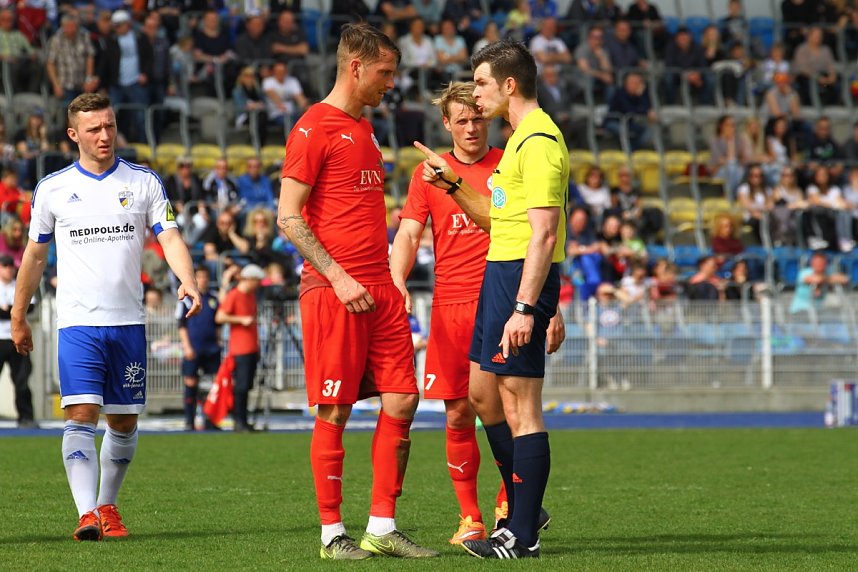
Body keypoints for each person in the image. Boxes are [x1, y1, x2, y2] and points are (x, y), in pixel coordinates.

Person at [277, 22, 438, 560]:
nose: (391, 83)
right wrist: (340, 277)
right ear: (355, 67)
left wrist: (390, 278)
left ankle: (382, 526)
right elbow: (288, 218)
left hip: (379, 288)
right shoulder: (312, 128)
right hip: (333, 288)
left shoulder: (365, 129)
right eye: (384, 72)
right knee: (336, 409)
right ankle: (331, 536)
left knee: (404, 397)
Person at [10, 92, 201, 541]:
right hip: (77, 322)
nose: (104, 135)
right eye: (94, 129)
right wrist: (20, 313)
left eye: (110, 126)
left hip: (128, 323)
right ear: (73, 135)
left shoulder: (143, 182)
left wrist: (188, 280)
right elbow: (34, 257)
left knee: (123, 421)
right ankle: (86, 515)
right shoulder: (53, 188)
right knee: (80, 413)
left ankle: (107, 505)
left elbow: (170, 238)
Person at [415, 39, 568, 559]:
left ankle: (521, 531)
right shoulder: (520, 141)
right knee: (482, 396)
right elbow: (501, 218)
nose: (475, 95)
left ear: (508, 84)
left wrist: (529, 308)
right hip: (496, 276)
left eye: (481, 82)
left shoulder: (540, 140)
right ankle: (527, 508)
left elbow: (544, 235)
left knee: (520, 405)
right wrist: (453, 183)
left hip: (515, 282)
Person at [390, 82, 509, 544]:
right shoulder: (429, 175)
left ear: (488, 119)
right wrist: (396, 278)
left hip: (500, 301)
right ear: (447, 125)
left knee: (507, 408)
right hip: (450, 308)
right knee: (458, 412)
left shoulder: (506, 165)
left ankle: (510, 506)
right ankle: (470, 517)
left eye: (477, 118)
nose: (471, 127)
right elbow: (408, 234)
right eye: (461, 120)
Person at [215, 263, 262, 432]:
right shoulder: (234, 295)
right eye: (256, 281)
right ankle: (239, 420)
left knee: (246, 386)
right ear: (248, 279)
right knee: (241, 387)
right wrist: (241, 320)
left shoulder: (251, 296)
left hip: (251, 348)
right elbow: (220, 317)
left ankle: (243, 419)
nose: (258, 285)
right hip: (240, 349)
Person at [178, 265, 221, 431]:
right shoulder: (187, 299)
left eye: (205, 277)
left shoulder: (213, 299)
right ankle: (189, 421)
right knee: (191, 383)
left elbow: (217, 323)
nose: (203, 280)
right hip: (193, 348)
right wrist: (187, 346)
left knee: (214, 386)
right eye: (199, 277)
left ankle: (211, 420)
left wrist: (218, 341)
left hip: (211, 348)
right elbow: (181, 325)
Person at [0, 254, 36, 428]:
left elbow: (31, 306)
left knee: (22, 380)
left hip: (16, 338)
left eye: (10, 266)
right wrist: (14, 312)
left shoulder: (19, 286)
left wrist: (8, 311)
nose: (9, 269)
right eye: (5, 266)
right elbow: (20, 310)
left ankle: (26, 417)